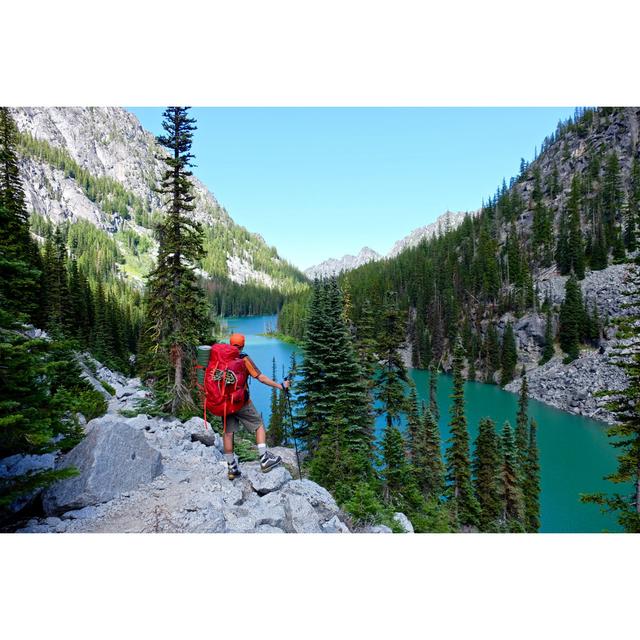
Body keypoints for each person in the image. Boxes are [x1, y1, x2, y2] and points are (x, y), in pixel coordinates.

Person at [223, 332, 290, 480]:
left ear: (229, 343)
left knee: (228, 433)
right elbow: (261, 378)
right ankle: (264, 459)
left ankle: (231, 468)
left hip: (225, 403)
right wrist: (280, 386)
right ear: (242, 345)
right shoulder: (243, 359)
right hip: (241, 402)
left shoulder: (221, 358)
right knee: (259, 425)